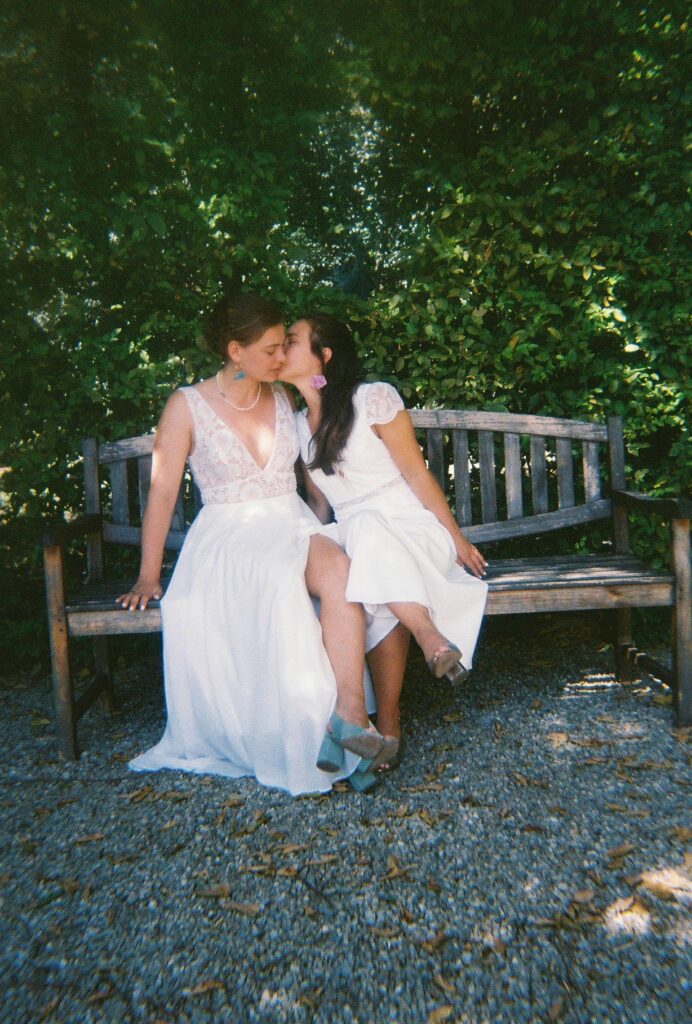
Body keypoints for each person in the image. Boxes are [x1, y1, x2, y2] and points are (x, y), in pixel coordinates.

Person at [119, 294, 385, 795]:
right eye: (269, 349)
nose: (281, 357)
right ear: (234, 351)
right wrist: (149, 574)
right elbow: (162, 493)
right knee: (279, 581)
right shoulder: (187, 405)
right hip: (230, 537)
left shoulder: (284, 395)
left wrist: (333, 521)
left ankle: (350, 716)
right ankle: (303, 735)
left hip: (291, 522)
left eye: (284, 345)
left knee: (342, 572)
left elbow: (319, 451)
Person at [280, 313, 489, 771]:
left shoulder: (372, 399)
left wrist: (455, 539)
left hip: (411, 528)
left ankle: (384, 712)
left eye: (292, 341)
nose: (281, 347)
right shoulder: (295, 425)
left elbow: (416, 473)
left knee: (370, 540)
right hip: (360, 536)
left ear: (324, 355)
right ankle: (397, 707)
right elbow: (319, 506)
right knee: (364, 568)